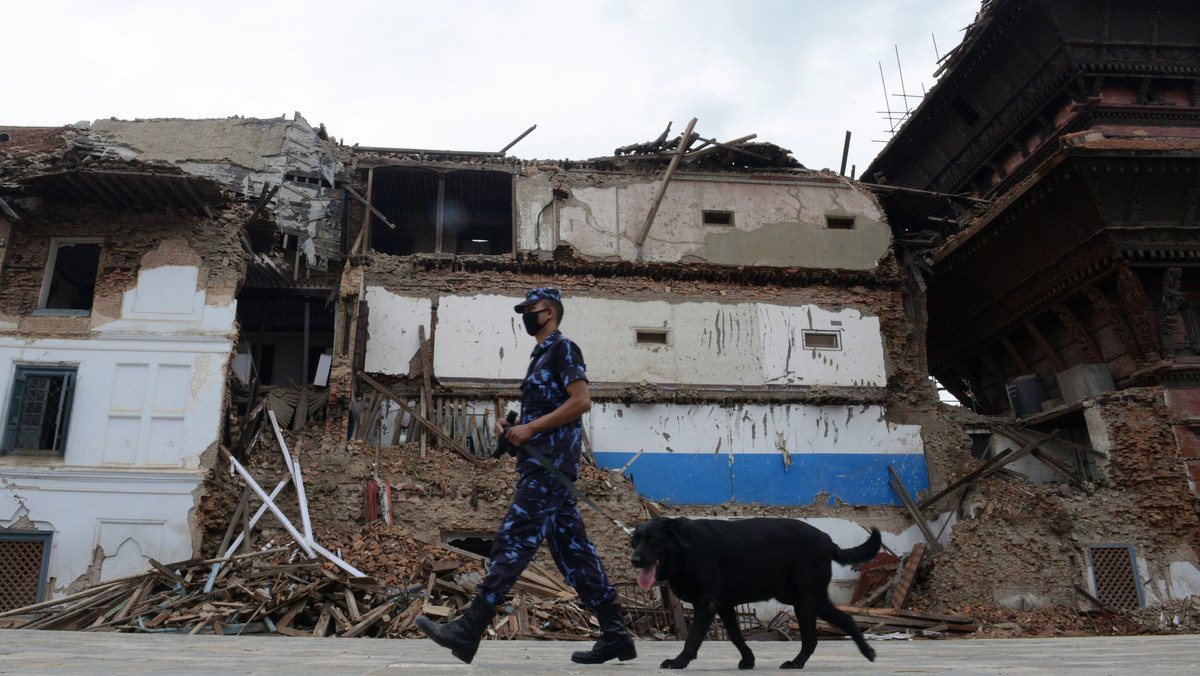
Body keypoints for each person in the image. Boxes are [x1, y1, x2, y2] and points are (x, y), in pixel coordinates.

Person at [416, 287, 636, 665]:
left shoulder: (562, 349)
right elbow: (549, 411)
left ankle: (469, 631)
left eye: (529, 309)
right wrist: (514, 428)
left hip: (548, 470)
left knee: (512, 542)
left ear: (549, 312)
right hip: (544, 466)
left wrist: (531, 431)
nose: (524, 314)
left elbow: (581, 400)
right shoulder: (540, 357)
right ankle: (616, 635)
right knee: (575, 555)